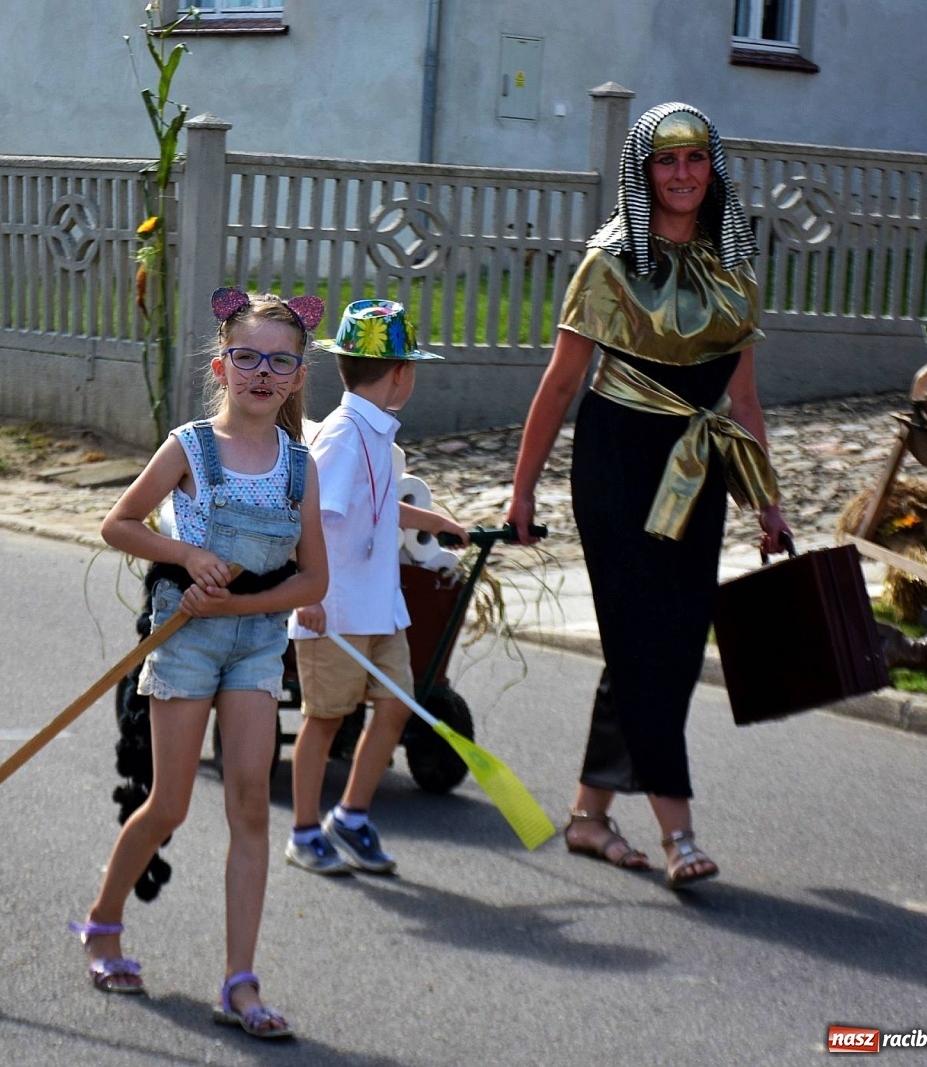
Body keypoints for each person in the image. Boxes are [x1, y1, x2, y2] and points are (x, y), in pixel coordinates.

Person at [505, 102, 793, 890]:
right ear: (643, 170)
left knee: (661, 640)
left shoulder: (734, 264)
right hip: (619, 464)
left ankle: (588, 816)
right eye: (665, 161)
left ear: (713, 166)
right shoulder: (607, 263)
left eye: (695, 158)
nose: (682, 174)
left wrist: (768, 501)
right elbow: (561, 383)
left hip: (697, 470)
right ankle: (678, 827)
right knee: (646, 642)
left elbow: (746, 400)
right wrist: (521, 492)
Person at [74, 287, 330, 1041]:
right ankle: (102, 921)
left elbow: (313, 580)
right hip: (183, 634)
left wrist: (244, 609)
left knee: (252, 804)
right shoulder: (189, 446)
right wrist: (186, 555)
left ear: (295, 377)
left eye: (279, 361)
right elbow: (116, 522)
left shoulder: (300, 466)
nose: (261, 372)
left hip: (254, 640)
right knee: (171, 803)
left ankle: (240, 983)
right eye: (246, 356)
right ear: (221, 365)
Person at [284, 299, 469, 876]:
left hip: (380, 608)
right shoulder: (342, 437)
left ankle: (352, 816)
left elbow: (376, 509)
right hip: (333, 610)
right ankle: (304, 831)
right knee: (325, 718)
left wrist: (432, 521)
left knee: (394, 708)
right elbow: (303, 517)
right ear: (401, 374)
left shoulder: (376, 432)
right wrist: (306, 593)